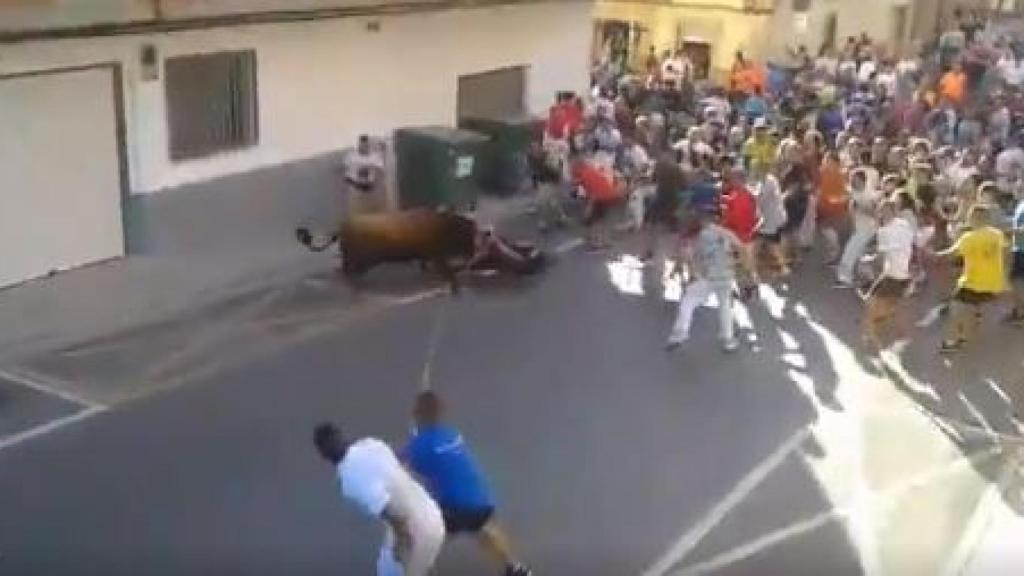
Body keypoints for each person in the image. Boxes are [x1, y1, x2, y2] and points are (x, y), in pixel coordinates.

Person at [404, 392, 532, 576]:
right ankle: (516, 569)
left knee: (421, 540)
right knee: (484, 529)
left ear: (417, 414)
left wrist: (413, 440)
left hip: (453, 509)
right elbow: (442, 458)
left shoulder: (419, 445)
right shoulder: (452, 435)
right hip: (481, 502)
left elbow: (407, 467)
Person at [313, 423, 445, 576]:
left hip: (416, 528)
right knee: (399, 565)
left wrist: (402, 544)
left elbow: (391, 514)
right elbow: (401, 464)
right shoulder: (370, 444)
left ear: (323, 454)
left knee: (397, 568)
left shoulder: (349, 479)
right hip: (430, 511)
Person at [666, 206, 747, 352]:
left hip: (705, 276)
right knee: (725, 307)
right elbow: (741, 248)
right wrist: (741, 267)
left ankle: (679, 334)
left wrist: (685, 271)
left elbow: (686, 256)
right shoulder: (726, 233)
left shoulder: (692, 236)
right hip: (725, 274)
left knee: (688, 302)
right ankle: (728, 340)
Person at [932, 204, 1009, 354]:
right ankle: (975, 316)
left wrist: (935, 255)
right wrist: (1003, 272)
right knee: (975, 304)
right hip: (993, 283)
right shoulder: (997, 234)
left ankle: (956, 340)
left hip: (972, 283)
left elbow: (952, 253)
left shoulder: (969, 238)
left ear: (973, 219)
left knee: (955, 309)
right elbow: (1006, 251)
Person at [861, 197, 915, 349]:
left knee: (870, 303)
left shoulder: (883, 232)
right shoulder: (904, 225)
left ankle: (870, 337)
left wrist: (868, 259)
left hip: (892, 275)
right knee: (892, 304)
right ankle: (899, 333)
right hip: (904, 274)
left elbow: (881, 255)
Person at [837, 168, 880, 288]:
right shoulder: (853, 192)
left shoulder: (870, 195)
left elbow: (875, 213)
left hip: (868, 229)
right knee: (860, 253)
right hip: (859, 227)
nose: (854, 182)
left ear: (863, 181)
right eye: (852, 180)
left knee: (850, 251)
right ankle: (869, 278)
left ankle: (845, 278)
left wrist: (861, 207)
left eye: (856, 180)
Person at [1006, 189, 1024, 325]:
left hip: (1022, 250)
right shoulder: (1021, 203)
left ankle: (1020, 313)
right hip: (1018, 248)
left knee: (1016, 281)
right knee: (1015, 280)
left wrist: (1007, 230)